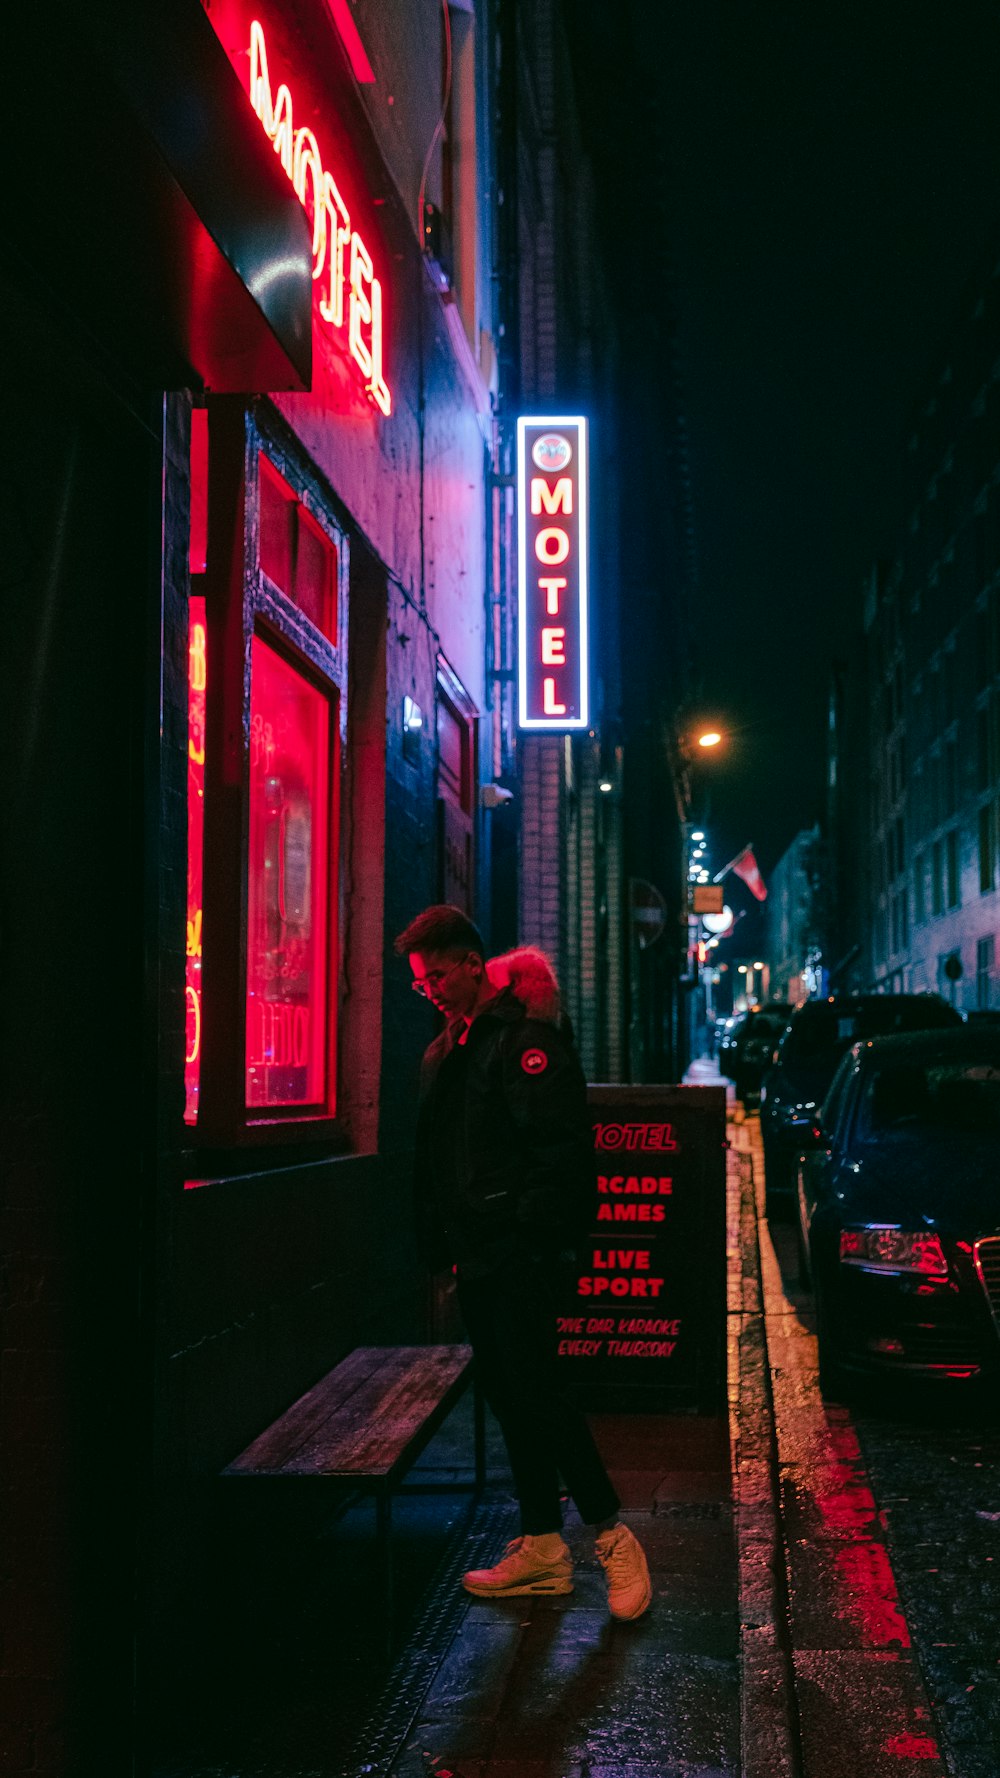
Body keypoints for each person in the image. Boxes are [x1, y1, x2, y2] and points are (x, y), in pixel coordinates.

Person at [394, 905, 652, 1621]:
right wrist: (446, 1249)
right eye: (421, 983)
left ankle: (612, 1536)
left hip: (515, 1255)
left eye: (437, 975)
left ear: (474, 964)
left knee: (542, 1392)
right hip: (479, 1256)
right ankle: (542, 1544)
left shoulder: (522, 1041)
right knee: (509, 1396)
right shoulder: (462, 1043)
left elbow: (560, 1155)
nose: (432, 990)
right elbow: (446, 1162)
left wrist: (520, 1238)